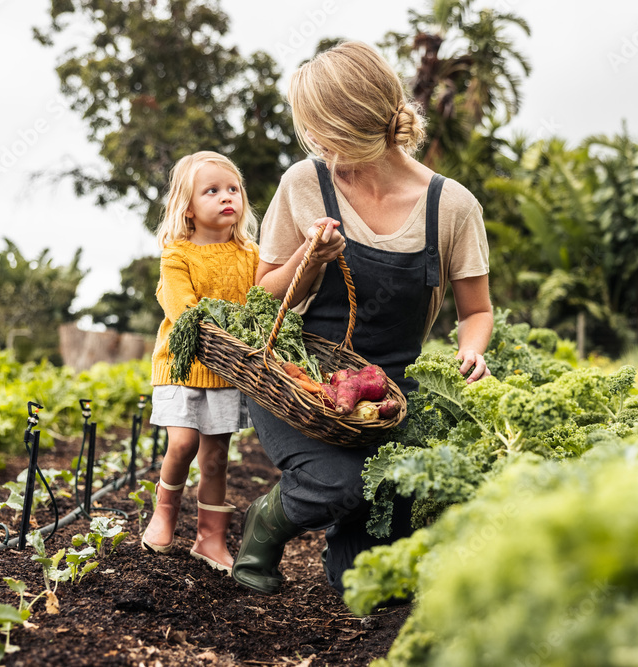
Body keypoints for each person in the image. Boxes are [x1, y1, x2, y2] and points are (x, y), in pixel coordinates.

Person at [231, 41, 493, 596]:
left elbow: (478, 311)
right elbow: (263, 294)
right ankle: (266, 523)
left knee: (367, 585)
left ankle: (346, 537)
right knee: (337, 481)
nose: (316, 143)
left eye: (320, 128)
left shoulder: (451, 206)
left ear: (350, 125)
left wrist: (473, 350)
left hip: (388, 396)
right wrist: (309, 258)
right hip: (298, 377)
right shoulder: (304, 183)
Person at [142, 151, 260, 573]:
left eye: (233, 189)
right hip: (182, 363)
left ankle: (210, 539)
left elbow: (262, 300)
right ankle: (165, 511)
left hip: (228, 371)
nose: (226, 197)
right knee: (183, 443)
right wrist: (225, 329)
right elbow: (182, 309)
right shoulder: (177, 254)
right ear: (188, 207)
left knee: (215, 458)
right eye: (212, 191)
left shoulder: (250, 255)